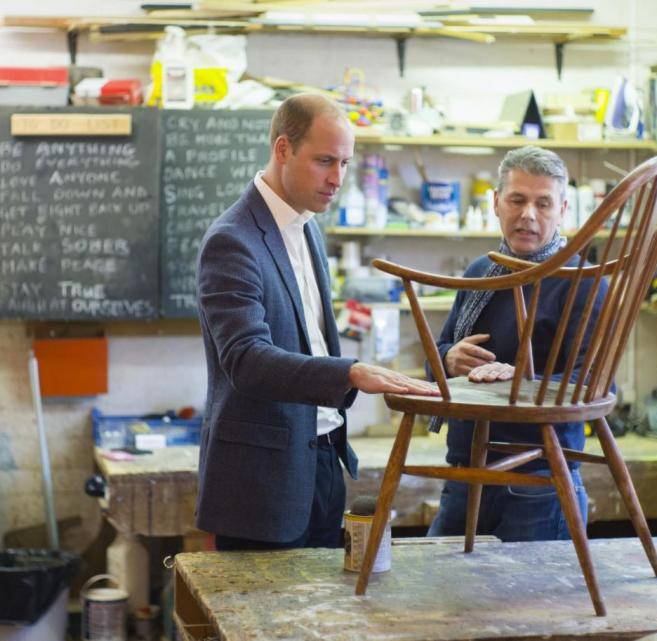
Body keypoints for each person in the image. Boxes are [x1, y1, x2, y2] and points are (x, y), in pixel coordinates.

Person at [196, 93, 438, 551]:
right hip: (262, 483)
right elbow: (245, 360)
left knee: (322, 616)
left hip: (323, 461)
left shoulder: (307, 226)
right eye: (325, 161)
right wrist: (347, 372)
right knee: (264, 622)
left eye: (346, 164)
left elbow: (309, 338)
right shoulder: (233, 241)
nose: (337, 179)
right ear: (282, 149)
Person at [426, 146, 606, 542]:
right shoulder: (481, 272)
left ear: (563, 209)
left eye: (543, 204)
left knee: (534, 605)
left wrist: (525, 382)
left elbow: (592, 383)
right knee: (444, 598)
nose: (528, 215)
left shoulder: (584, 282)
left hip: (537, 480)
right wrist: (449, 357)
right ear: (495, 202)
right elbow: (433, 363)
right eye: (517, 200)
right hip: (464, 471)